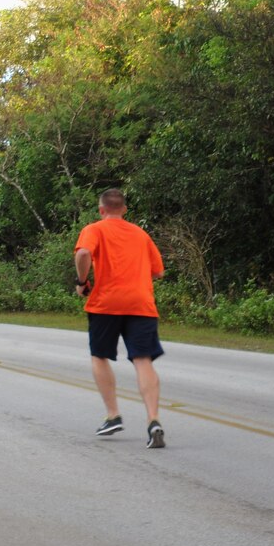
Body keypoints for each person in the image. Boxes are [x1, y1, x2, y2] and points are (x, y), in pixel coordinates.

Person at [74, 189, 167, 448]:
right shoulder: (140, 234)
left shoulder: (94, 229)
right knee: (142, 359)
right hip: (141, 303)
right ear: (124, 209)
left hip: (106, 302)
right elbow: (158, 272)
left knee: (99, 355)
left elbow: (83, 254)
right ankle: (153, 420)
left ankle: (113, 415)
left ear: (101, 209)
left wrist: (81, 282)